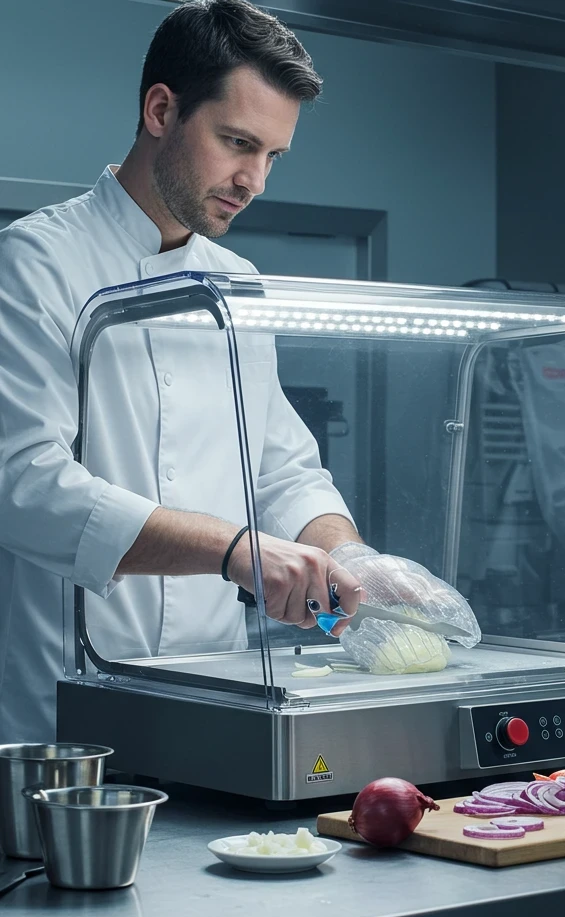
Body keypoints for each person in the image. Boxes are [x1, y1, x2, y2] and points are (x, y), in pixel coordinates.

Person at [0, 0, 474, 744]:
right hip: (62, 717)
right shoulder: (35, 263)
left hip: (209, 705)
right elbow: (23, 484)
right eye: (236, 143)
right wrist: (235, 552)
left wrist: (348, 554)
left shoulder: (235, 282)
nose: (253, 179)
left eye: (272, 156)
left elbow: (281, 466)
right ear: (161, 109)